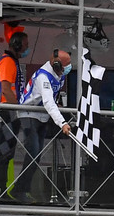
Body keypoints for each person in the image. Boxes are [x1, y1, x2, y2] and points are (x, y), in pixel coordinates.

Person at [13, 47, 72, 204]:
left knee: (37, 155)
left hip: (42, 116)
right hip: (28, 114)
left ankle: (21, 188)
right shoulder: (43, 76)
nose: (68, 68)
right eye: (66, 66)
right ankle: (20, 190)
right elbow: (48, 101)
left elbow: (52, 99)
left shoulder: (59, 76)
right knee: (33, 151)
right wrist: (62, 123)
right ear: (57, 65)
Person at [0, 26, 29, 197]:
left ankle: (1, 189)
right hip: (7, 111)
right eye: (25, 45)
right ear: (17, 44)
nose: (27, 48)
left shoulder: (12, 61)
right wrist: (17, 110)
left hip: (10, 110)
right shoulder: (7, 62)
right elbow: (6, 89)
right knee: (4, 151)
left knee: (8, 152)